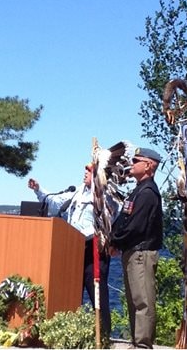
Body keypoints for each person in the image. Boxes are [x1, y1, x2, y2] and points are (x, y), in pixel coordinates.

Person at [28, 163, 118, 340]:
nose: (85, 173)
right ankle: (72, 333)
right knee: (72, 293)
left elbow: (114, 216)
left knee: (97, 294)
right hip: (73, 248)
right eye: (85, 170)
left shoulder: (105, 196)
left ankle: (104, 336)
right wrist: (38, 189)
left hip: (94, 249)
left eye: (89, 170)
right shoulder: (76, 192)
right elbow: (54, 201)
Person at [109, 147, 163, 349]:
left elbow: (135, 226)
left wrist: (115, 242)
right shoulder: (138, 190)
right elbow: (123, 219)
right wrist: (113, 238)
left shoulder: (148, 193)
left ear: (149, 165)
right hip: (132, 252)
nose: (132, 164)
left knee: (143, 302)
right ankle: (136, 341)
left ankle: (142, 344)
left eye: (136, 160)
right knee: (134, 300)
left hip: (141, 253)